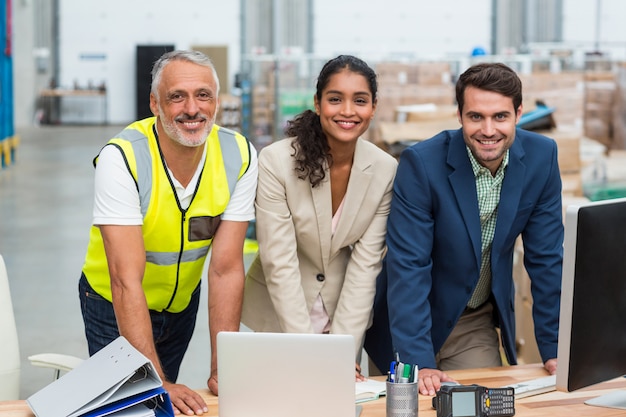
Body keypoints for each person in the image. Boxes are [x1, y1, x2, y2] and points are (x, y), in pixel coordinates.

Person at [365, 62, 563, 396]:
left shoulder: (542, 158)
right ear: (459, 116)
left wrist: (557, 349)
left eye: (500, 116)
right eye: (476, 117)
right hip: (408, 320)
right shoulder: (421, 164)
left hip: (473, 320)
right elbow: (408, 265)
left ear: (519, 113)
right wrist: (417, 360)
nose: (488, 130)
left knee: (486, 404)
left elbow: (546, 260)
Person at [78, 50, 258, 415]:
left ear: (217, 102)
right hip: (112, 304)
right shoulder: (123, 157)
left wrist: (224, 366)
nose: (192, 108)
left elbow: (225, 269)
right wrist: (155, 382)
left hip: (180, 306)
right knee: (132, 406)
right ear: (154, 104)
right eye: (177, 96)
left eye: (203, 95)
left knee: (166, 410)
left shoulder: (238, 155)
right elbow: (125, 280)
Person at [241, 55, 397, 379]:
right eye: (335, 99)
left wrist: (340, 351)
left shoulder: (384, 170)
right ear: (317, 102)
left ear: (374, 106)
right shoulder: (276, 161)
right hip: (280, 316)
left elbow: (366, 265)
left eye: (360, 100)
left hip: (343, 315)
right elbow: (278, 260)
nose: (347, 111)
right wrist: (310, 353)